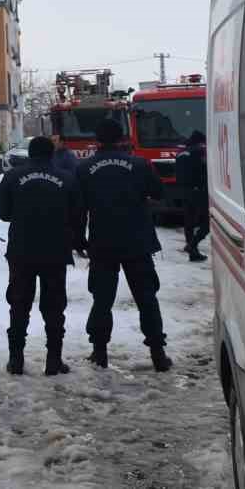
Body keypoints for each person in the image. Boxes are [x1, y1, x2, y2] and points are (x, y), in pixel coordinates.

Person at [77, 118, 171, 372]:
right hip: (137, 241)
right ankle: (157, 353)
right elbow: (159, 193)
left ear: (97, 140)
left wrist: (78, 239)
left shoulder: (85, 168)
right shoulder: (139, 164)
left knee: (102, 299)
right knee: (147, 298)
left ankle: (99, 352)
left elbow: (79, 208)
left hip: (103, 242)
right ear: (122, 138)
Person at [0, 136, 84, 377]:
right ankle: (54, 361)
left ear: (30, 154)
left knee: (19, 305)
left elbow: (2, 213)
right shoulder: (67, 178)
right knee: (54, 307)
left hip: (21, 251)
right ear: (51, 154)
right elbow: (77, 214)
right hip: (55, 250)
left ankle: (16, 360)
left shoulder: (12, 177)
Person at [175, 132, 209, 262]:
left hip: (183, 191)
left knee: (188, 221)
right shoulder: (198, 152)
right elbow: (204, 170)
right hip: (198, 191)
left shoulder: (180, 153)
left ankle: (193, 253)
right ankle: (192, 245)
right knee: (208, 222)